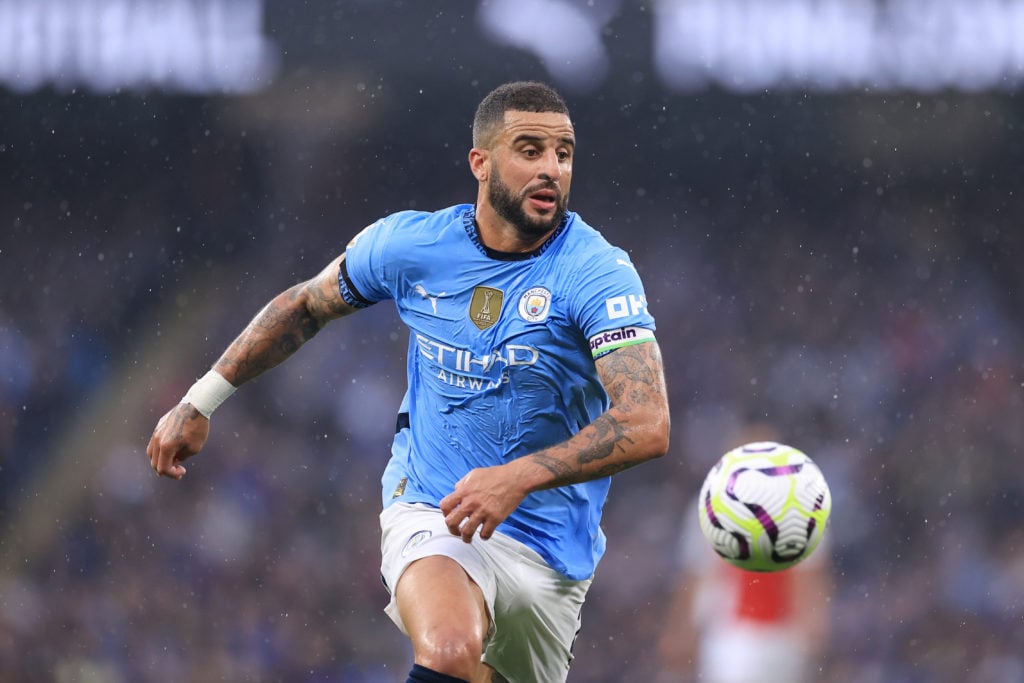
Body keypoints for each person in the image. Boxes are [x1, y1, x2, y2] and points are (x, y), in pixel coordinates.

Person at [147, 81, 671, 683]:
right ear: (481, 162)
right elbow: (304, 305)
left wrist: (518, 477)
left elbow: (646, 422)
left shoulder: (596, 272)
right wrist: (201, 400)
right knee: (448, 650)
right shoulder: (411, 244)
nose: (551, 168)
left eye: (564, 152)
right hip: (432, 507)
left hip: (549, 552)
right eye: (529, 150)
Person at [656, 425, 832, 683]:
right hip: (730, 632)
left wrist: (814, 621)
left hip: (784, 630)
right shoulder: (708, 505)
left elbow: (811, 571)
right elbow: (694, 573)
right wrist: (680, 627)